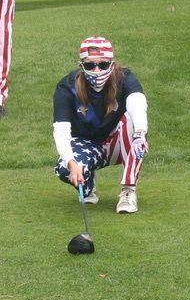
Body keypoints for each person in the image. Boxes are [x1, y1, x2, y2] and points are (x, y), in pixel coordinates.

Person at [52, 36, 149, 214]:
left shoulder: (124, 78)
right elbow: (61, 131)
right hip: (87, 144)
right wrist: (72, 164)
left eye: (103, 64)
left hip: (118, 142)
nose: (97, 70)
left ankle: (128, 190)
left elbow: (138, 103)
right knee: (64, 168)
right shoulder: (67, 86)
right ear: (81, 66)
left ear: (111, 63)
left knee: (135, 126)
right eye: (90, 65)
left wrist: (141, 132)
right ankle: (87, 184)